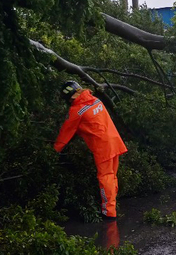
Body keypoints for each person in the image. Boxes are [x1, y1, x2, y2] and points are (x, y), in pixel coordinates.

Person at [54, 81, 127, 220]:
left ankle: (109, 213)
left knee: (105, 178)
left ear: (70, 97)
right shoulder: (96, 100)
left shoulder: (77, 111)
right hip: (114, 141)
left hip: (103, 148)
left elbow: (65, 134)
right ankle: (113, 205)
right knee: (112, 177)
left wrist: (54, 151)